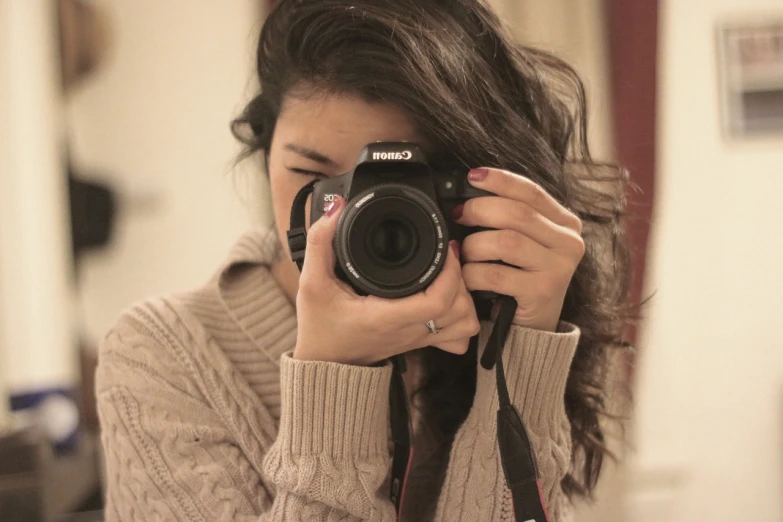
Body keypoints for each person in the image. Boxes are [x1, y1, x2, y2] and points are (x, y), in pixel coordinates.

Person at [95, 0, 632, 520]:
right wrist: (333, 373)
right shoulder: (162, 356)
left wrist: (525, 344)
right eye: (313, 178)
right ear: (265, 157)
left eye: (402, 186)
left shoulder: (492, 318)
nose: (353, 216)